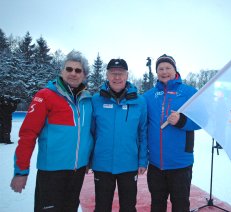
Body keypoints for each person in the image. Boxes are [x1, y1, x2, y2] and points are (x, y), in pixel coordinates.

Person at [10, 50, 94, 212]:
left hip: (77, 172)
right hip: (52, 173)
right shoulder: (45, 96)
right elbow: (28, 133)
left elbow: (89, 134)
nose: (73, 73)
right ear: (61, 71)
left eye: (78, 70)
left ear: (84, 75)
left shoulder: (87, 100)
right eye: (69, 69)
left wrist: (89, 160)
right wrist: (21, 171)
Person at [143, 54, 201, 211]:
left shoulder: (189, 92)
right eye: (160, 68)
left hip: (180, 164)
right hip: (156, 165)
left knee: (181, 206)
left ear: (175, 70)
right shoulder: (148, 96)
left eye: (168, 68)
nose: (164, 71)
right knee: (157, 205)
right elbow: (142, 125)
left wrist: (182, 121)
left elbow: (204, 119)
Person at [91, 58, 148, 212]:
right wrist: (88, 159)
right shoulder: (96, 100)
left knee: (128, 207)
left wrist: (142, 160)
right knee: (102, 207)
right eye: (113, 73)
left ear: (127, 75)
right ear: (107, 75)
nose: (117, 77)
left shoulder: (139, 102)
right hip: (102, 163)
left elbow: (143, 133)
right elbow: (91, 132)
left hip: (129, 163)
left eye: (120, 73)